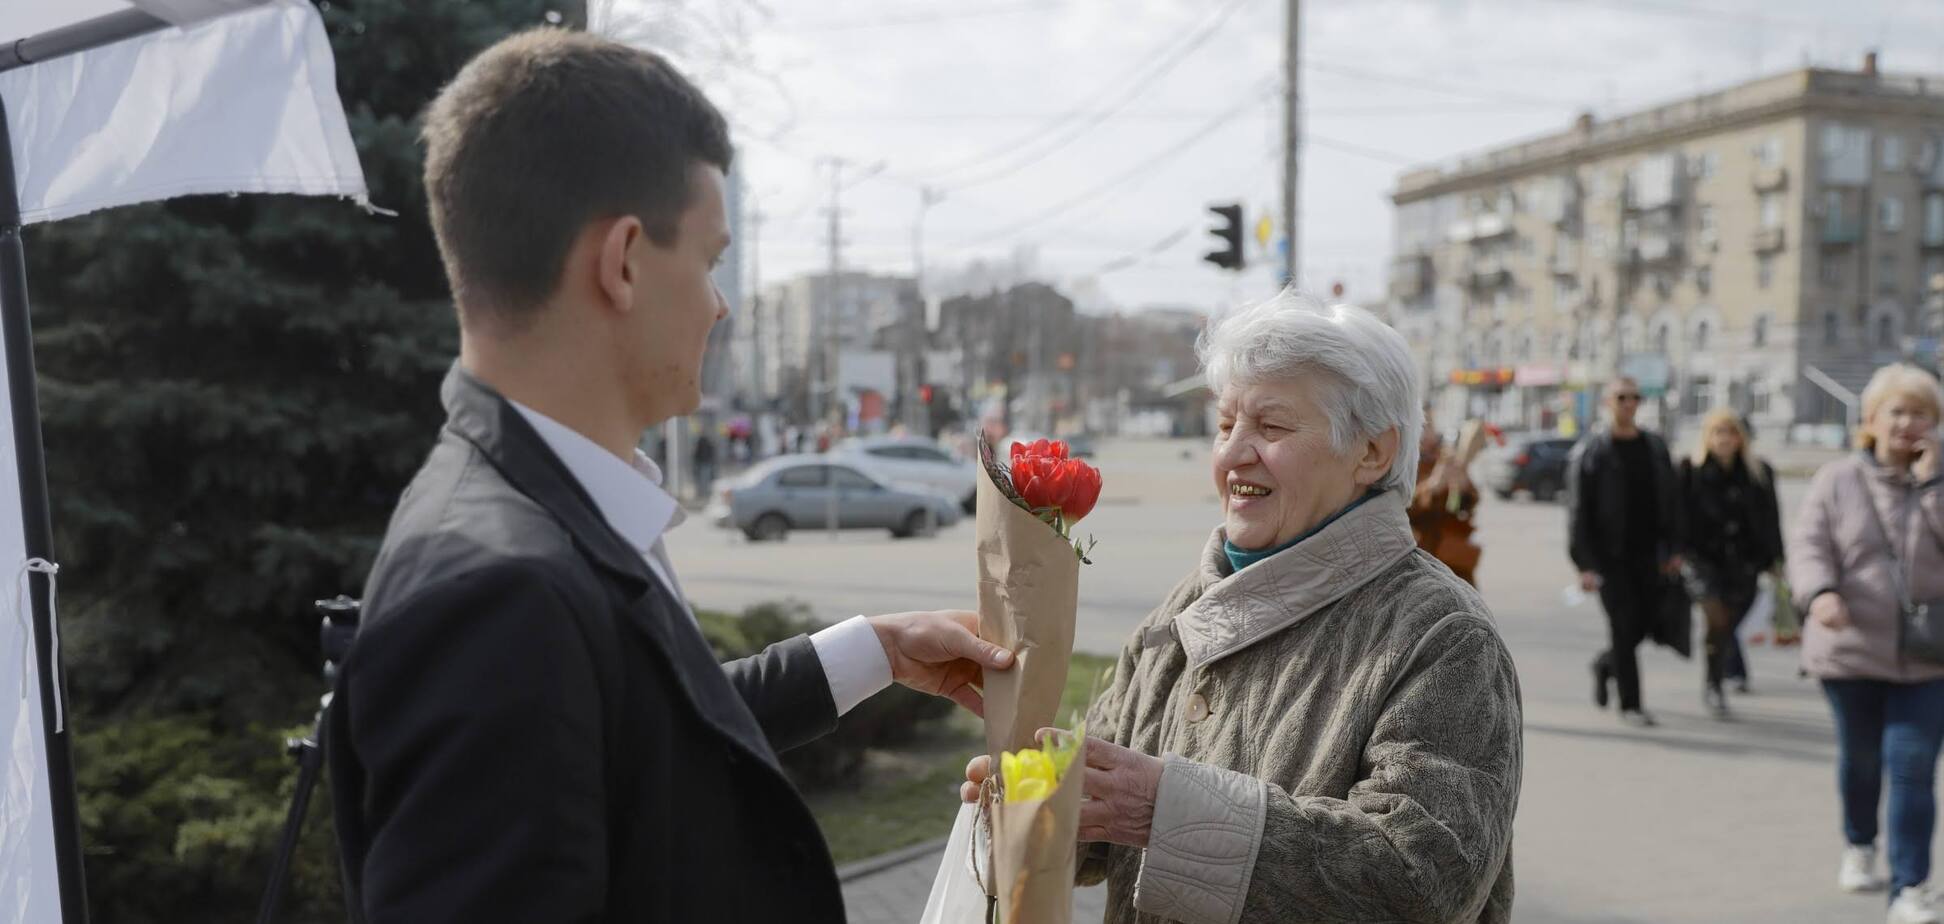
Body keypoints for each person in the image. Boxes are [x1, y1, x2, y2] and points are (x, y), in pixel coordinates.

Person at [326, 30, 1012, 922]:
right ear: (622, 263)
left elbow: (639, 735)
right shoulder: (499, 596)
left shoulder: (540, 504)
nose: (720, 304)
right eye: (711, 260)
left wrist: (871, 650)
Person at [963, 293, 1522, 922]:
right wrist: (1038, 803)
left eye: (1272, 426)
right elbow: (1102, 827)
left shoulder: (1443, 636)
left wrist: (1170, 812)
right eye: (1226, 425)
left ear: (1373, 452)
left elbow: (1422, 880)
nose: (1232, 454)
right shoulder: (1183, 609)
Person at [1790, 363, 1944, 923]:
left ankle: (1911, 887)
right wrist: (1820, 592)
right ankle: (1860, 841)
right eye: (1896, 412)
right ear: (1872, 420)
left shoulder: (1941, 480)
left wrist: (1930, 486)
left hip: (1930, 659)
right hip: (1850, 649)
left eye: (1920, 412)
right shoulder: (1838, 480)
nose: (1907, 423)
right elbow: (1808, 545)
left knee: (1911, 765)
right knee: (1860, 761)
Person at [1567, 376, 1683, 728]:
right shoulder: (1591, 452)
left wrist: (1676, 547)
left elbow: (1673, 501)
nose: (1629, 403)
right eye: (1621, 397)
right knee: (1623, 626)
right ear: (1607, 402)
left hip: (1650, 555)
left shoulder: (1655, 447)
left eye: (1635, 397)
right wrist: (1584, 564)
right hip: (1609, 559)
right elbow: (1578, 512)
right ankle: (1631, 704)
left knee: (1645, 624)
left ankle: (1606, 665)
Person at [1677, 408, 1783, 719]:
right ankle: (1713, 685)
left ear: (1741, 438)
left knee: (1727, 626)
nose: (1725, 439)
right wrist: (1676, 552)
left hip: (1744, 563)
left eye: (1731, 432)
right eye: (1718, 432)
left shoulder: (1758, 472)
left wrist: (1776, 559)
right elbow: (1677, 517)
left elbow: (1771, 519)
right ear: (1707, 437)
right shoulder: (1690, 470)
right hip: (1702, 562)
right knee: (1717, 619)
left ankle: (1721, 671)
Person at [1408, 405, 1483, 585]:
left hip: (1453, 552)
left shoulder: (1446, 457)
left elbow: (1466, 504)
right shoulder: (1404, 462)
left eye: (1430, 426)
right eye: (1422, 427)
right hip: (1422, 551)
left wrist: (1462, 485)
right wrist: (1433, 486)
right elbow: (1404, 506)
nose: (1426, 433)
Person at [692, 429, 718, 496]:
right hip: (706, 462)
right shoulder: (709, 442)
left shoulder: (699, 442)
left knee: (702, 479)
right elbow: (712, 453)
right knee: (706, 478)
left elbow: (696, 453)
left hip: (702, 462)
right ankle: (705, 492)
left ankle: (702, 492)